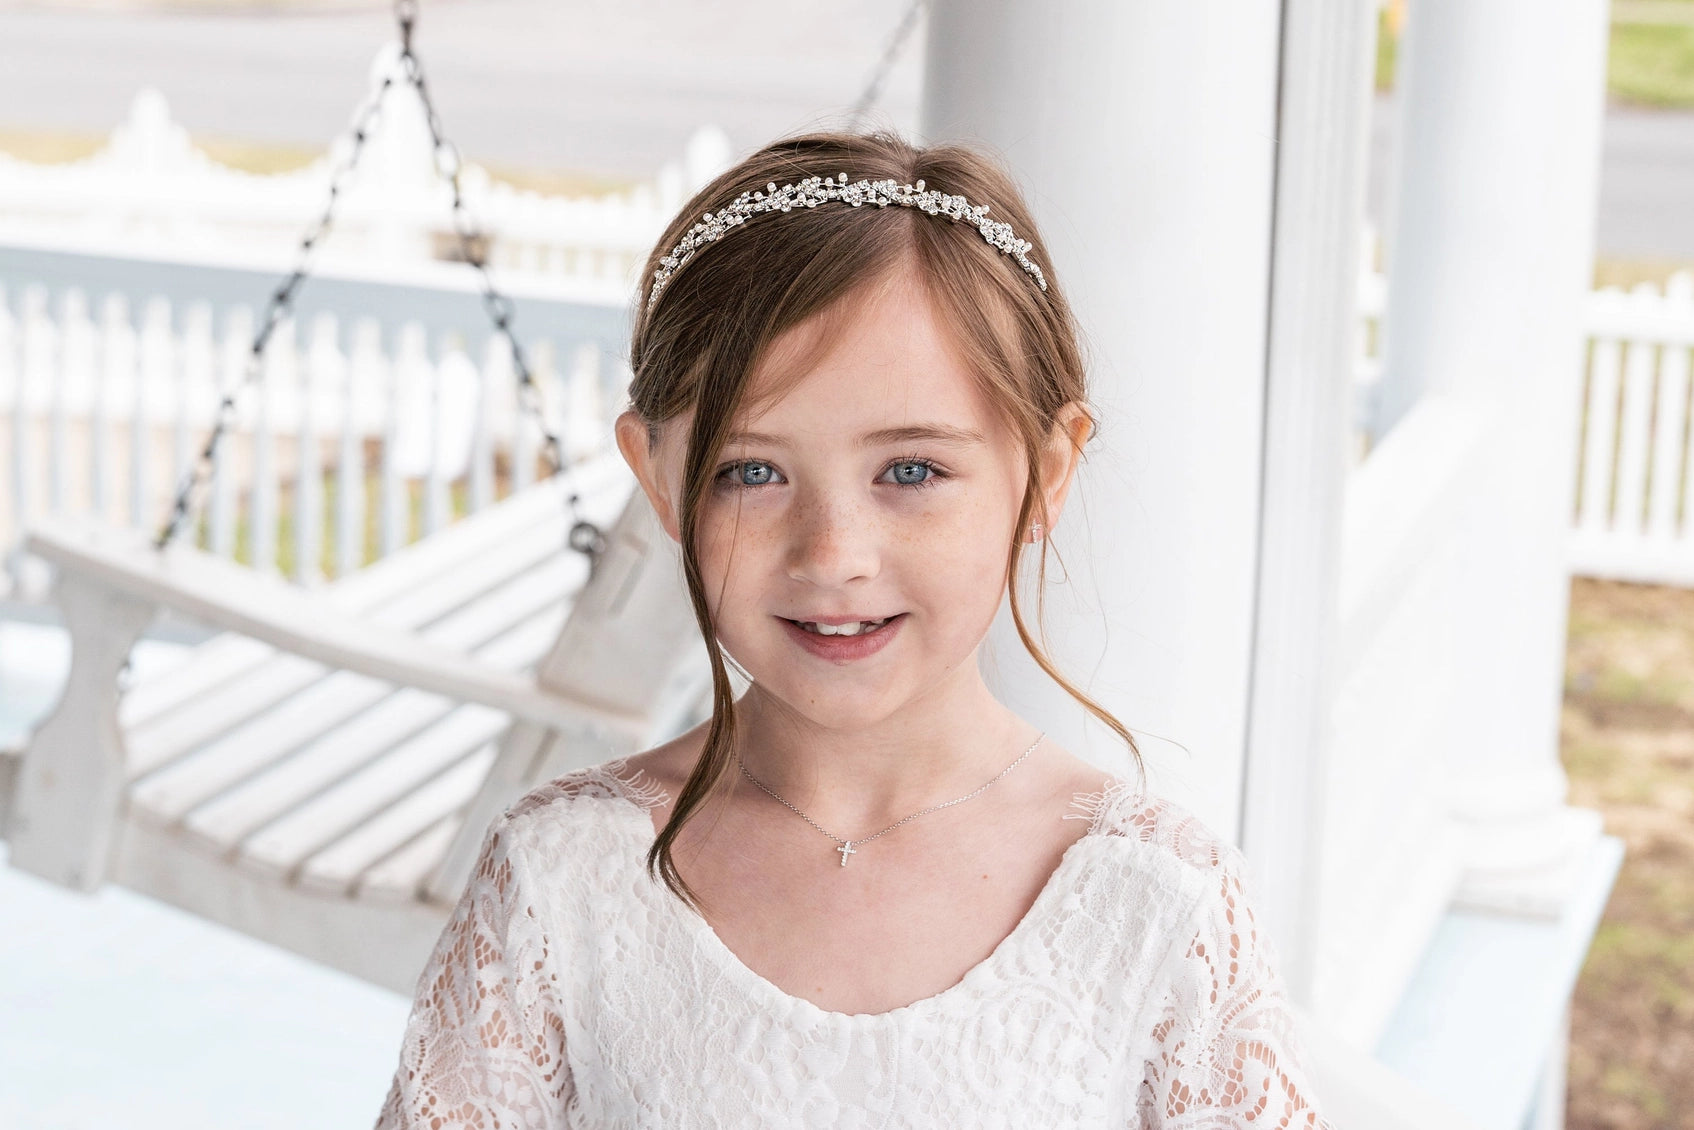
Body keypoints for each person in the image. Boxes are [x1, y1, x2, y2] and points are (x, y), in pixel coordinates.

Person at [374, 130, 1335, 1128]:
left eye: (910, 470)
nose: (832, 555)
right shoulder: (562, 881)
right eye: (751, 471)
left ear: (1046, 472)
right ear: (659, 477)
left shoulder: (1159, 905)